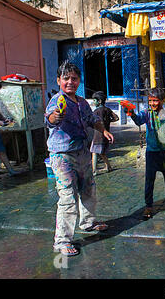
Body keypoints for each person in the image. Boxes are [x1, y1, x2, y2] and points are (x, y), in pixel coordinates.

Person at [45, 62, 114, 257]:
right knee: (67, 198)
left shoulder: (82, 102)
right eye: (66, 78)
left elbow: (93, 120)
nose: (70, 82)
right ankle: (62, 240)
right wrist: (54, 118)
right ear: (58, 80)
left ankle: (88, 223)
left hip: (82, 152)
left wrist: (104, 130)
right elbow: (49, 118)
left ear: (79, 81)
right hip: (62, 156)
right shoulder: (57, 101)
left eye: (74, 78)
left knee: (88, 190)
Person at [127, 87, 165, 219]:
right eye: (150, 100)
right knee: (150, 180)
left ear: (162, 100)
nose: (152, 103)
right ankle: (149, 205)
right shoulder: (146, 113)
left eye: (155, 101)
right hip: (151, 152)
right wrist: (131, 113)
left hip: (164, 151)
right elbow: (138, 120)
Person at [90, 91, 119, 175]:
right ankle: (108, 166)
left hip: (98, 135)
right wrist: (109, 121)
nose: (93, 102)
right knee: (102, 153)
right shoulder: (108, 110)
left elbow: (95, 122)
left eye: (94, 100)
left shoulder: (96, 111)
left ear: (99, 101)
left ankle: (94, 170)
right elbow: (116, 118)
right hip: (106, 135)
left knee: (94, 152)